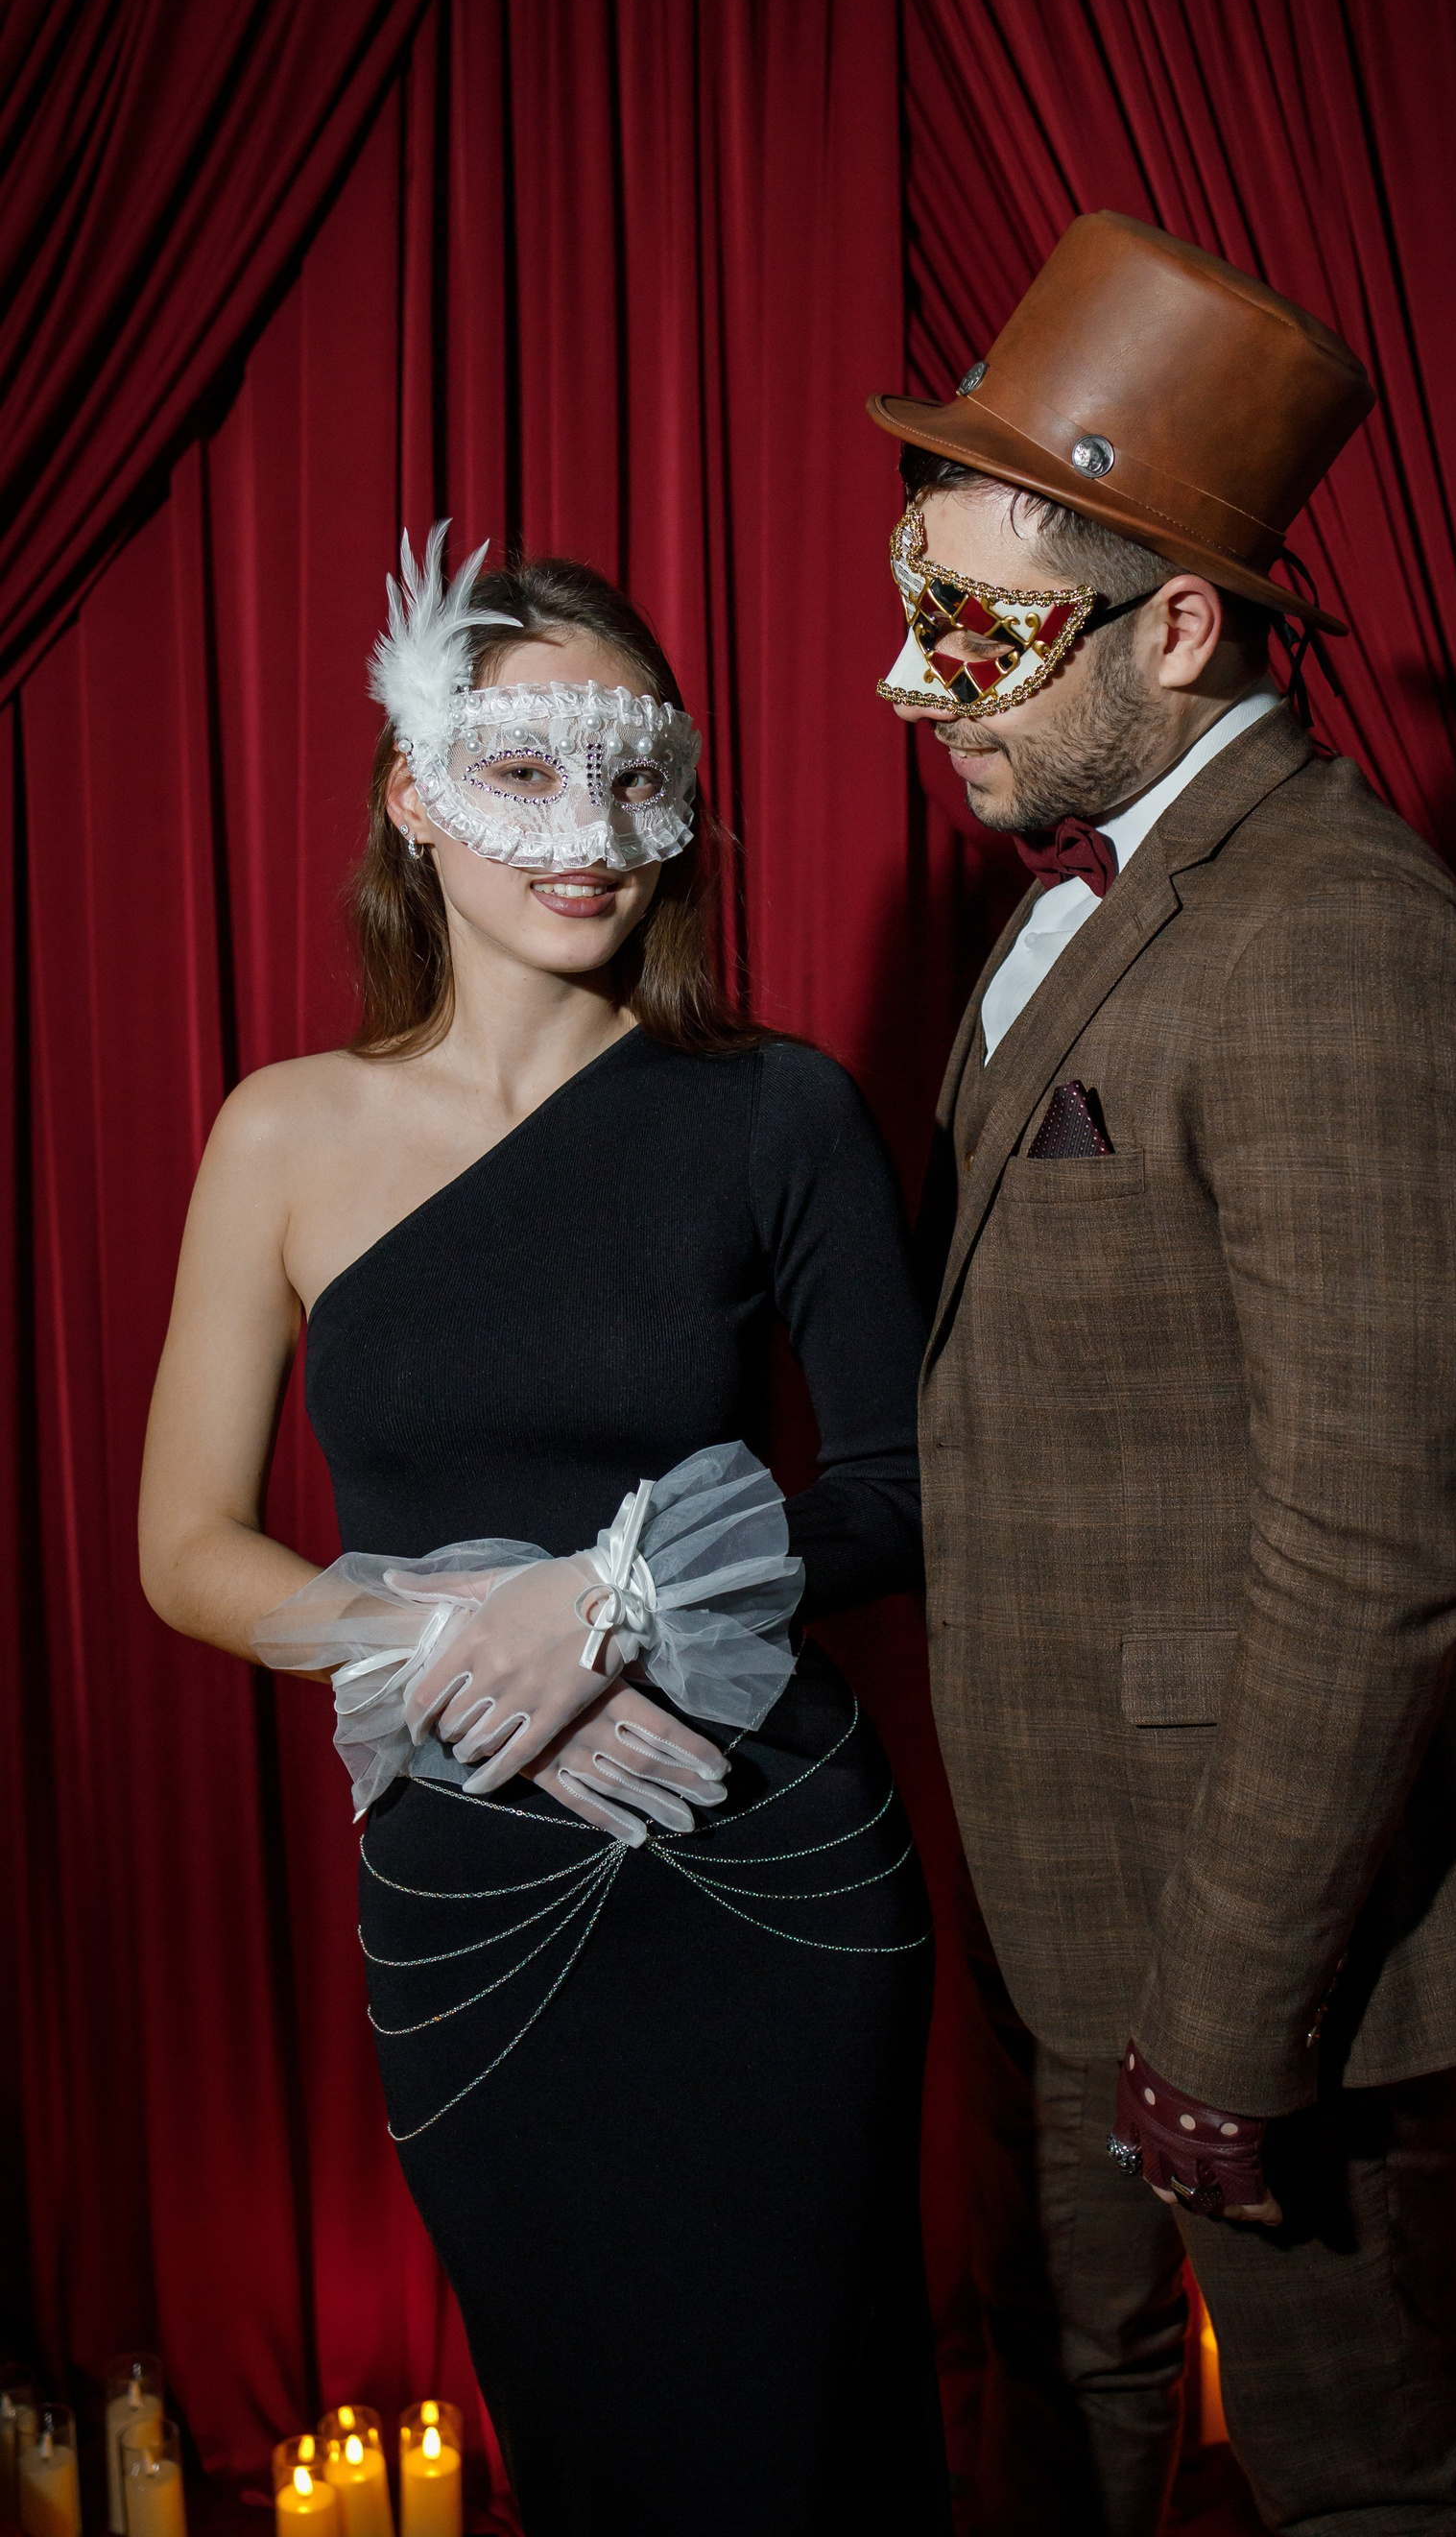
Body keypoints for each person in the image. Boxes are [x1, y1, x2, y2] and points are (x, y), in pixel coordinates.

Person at [139, 533, 947, 2537]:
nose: (587, 835)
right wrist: (456, 1650)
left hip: (766, 1866)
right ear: (413, 794)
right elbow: (188, 1546)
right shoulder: (281, 1133)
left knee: (812, 2456)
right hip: (476, 1893)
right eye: (521, 771)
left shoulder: (777, 1112)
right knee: (598, 2458)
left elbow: (906, 1487)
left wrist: (614, 1603)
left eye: (633, 775)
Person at [869, 211, 1456, 2534]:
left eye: (971, 629)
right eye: (910, 606)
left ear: (1172, 627)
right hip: (1059, 1890)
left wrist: (1235, 2021)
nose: (907, 681)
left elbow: (1372, 1542)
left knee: (1358, 2484)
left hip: (1268, 1944)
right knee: (1057, 2423)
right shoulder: (1083, 894)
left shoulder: (1339, 940)